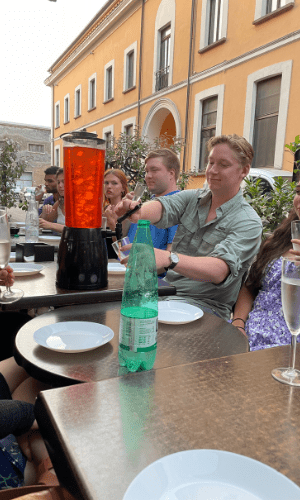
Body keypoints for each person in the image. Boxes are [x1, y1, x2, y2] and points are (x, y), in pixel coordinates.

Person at [115, 134, 262, 320]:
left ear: (244, 170)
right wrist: (137, 212)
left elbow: (219, 270)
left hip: (208, 308)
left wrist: (169, 258)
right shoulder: (192, 198)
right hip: (167, 296)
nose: (212, 170)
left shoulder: (248, 221)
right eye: (210, 162)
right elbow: (163, 206)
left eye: (223, 165)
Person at [231, 182, 300, 350]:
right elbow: (251, 287)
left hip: (288, 347)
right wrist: (238, 323)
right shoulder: (279, 239)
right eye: (299, 191)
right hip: (249, 333)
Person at [0, 357, 57, 489]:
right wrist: (27, 416)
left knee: (38, 361)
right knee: (35, 387)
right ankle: (51, 471)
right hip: (10, 469)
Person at [127, 148, 180, 252]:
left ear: (171, 174)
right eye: (146, 171)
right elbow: (125, 244)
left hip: (147, 268)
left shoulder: (178, 206)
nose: (148, 176)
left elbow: (172, 257)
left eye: (154, 170)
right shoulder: (147, 205)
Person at [103, 169, 129, 258]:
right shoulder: (103, 211)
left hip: (118, 264)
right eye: (106, 183)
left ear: (123, 188)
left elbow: (123, 250)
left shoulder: (128, 212)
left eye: (114, 183)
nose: (109, 186)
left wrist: (111, 223)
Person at [39, 168, 65, 234]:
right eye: (58, 182)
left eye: (64, 182)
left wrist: (51, 225)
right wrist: (44, 213)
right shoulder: (60, 202)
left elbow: (78, 231)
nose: (60, 185)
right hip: (60, 243)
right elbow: (42, 223)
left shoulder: (82, 203)